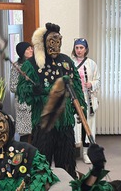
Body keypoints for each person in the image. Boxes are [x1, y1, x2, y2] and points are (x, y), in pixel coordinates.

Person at [16, 23, 86, 178]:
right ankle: (42, 188)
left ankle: (68, 187)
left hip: (64, 122)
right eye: (51, 41)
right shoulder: (32, 64)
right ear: (44, 42)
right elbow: (21, 90)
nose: (55, 45)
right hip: (44, 122)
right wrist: (33, 90)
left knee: (66, 163)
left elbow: (77, 86)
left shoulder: (66, 61)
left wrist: (81, 107)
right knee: (42, 164)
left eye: (58, 41)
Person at [71, 38, 100, 165]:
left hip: (88, 99)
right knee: (74, 125)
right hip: (74, 98)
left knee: (87, 126)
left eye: (81, 48)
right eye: (77, 48)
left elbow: (98, 80)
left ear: (86, 49)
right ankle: (72, 153)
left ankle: (86, 153)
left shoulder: (92, 64)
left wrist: (91, 84)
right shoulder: (70, 63)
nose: (79, 50)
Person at [10, 42, 33, 144]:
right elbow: (12, 87)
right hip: (23, 104)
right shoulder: (16, 67)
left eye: (31, 48)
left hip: (35, 104)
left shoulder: (35, 64)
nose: (31, 50)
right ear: (22, 52)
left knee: (37, 134)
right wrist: (27, 88)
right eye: (28, 49)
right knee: (25, 136)